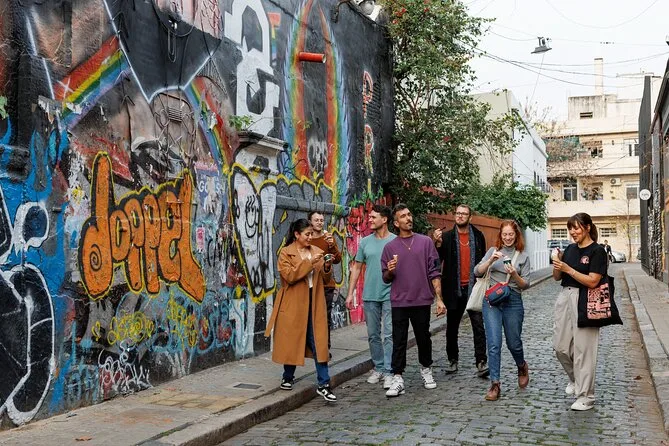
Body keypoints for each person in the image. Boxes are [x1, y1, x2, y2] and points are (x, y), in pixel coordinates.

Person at [264, 218, 337, 402]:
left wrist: (327, 266)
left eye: (311, 234)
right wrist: (309, 263)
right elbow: (289, 276)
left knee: (318, 342)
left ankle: (324, 384)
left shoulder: (317, 251)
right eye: (307, 234)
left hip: (315, 302)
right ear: (297, 234)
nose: (310, 237)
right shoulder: (286, 253)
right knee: (293, 340)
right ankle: (288, 376)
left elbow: (325, 278)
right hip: (294, 303)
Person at [381, 204, 446, 397]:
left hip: (422, 299)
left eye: (409, 214)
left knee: (423, 338)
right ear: (396, 223)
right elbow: (385, 278)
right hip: (399, 301)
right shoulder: (389, 247)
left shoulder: (425, 242)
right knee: (399, 340)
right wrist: (390, 270)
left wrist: (439, 300)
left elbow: (434, 272)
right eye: (403, 216)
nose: (408, 218)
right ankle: (397, 377)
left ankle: (426, 369)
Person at [552, 212, 607, 411]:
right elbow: (557, 277)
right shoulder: (570, 249)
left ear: (587, 227)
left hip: (587, 299)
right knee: (560, 347)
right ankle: (576, 379)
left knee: (585, 350)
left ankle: (586, 396)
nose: (573, 232)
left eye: (576, 228)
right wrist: (557, 262)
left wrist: (568, 269)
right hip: (565, 297)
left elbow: (593, 281)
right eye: (570, 229)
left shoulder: (597, 251)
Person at [474, 220, 531, 401]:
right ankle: (495, 384)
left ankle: (521, 366)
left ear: (516, 235)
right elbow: (477, 271)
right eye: (504, 234)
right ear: (501, 235)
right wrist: (491, 260)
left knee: (514, 343)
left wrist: (514, 274)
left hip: (513, 301)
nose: (507, 237)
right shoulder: (493, 251)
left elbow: (525, 284)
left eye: (511, 234)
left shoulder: (523, 256)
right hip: (492, 300)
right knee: (494, 343)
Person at [433, 204, 488, 377]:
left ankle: (481, 361)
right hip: (453, 289)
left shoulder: (478, 236)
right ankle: (452, 360)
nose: (460, 216)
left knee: (478, 326)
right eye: (458, 213)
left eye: (464, 214)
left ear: (470, 217)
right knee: (452, 327)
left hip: (474, 288)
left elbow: (483, 262)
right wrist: (437, 243)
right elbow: (437, 260)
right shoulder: (446, 237)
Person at [346, 205, 396, 390]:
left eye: (374, 217)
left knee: (389, 334)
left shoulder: (395, 241)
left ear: (384, 219)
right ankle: (379, 367)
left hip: (391, 294)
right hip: (370, 294)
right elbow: (357, 268)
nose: (370, 219)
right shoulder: (365, 242)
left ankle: (390, 371)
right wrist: (350, 293)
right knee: (373, 334)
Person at [308, 211, 342, 353]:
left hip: (326, 284)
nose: (320, 222)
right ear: (310, 222)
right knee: (309, 316)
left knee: (325, 317)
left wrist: (332, 245)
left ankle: (324, 348)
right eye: (316, 220)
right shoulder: (307, 238)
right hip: (310, 283)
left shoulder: (328, 238)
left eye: (321, 220)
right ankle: (310, 347)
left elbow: (338, 259)